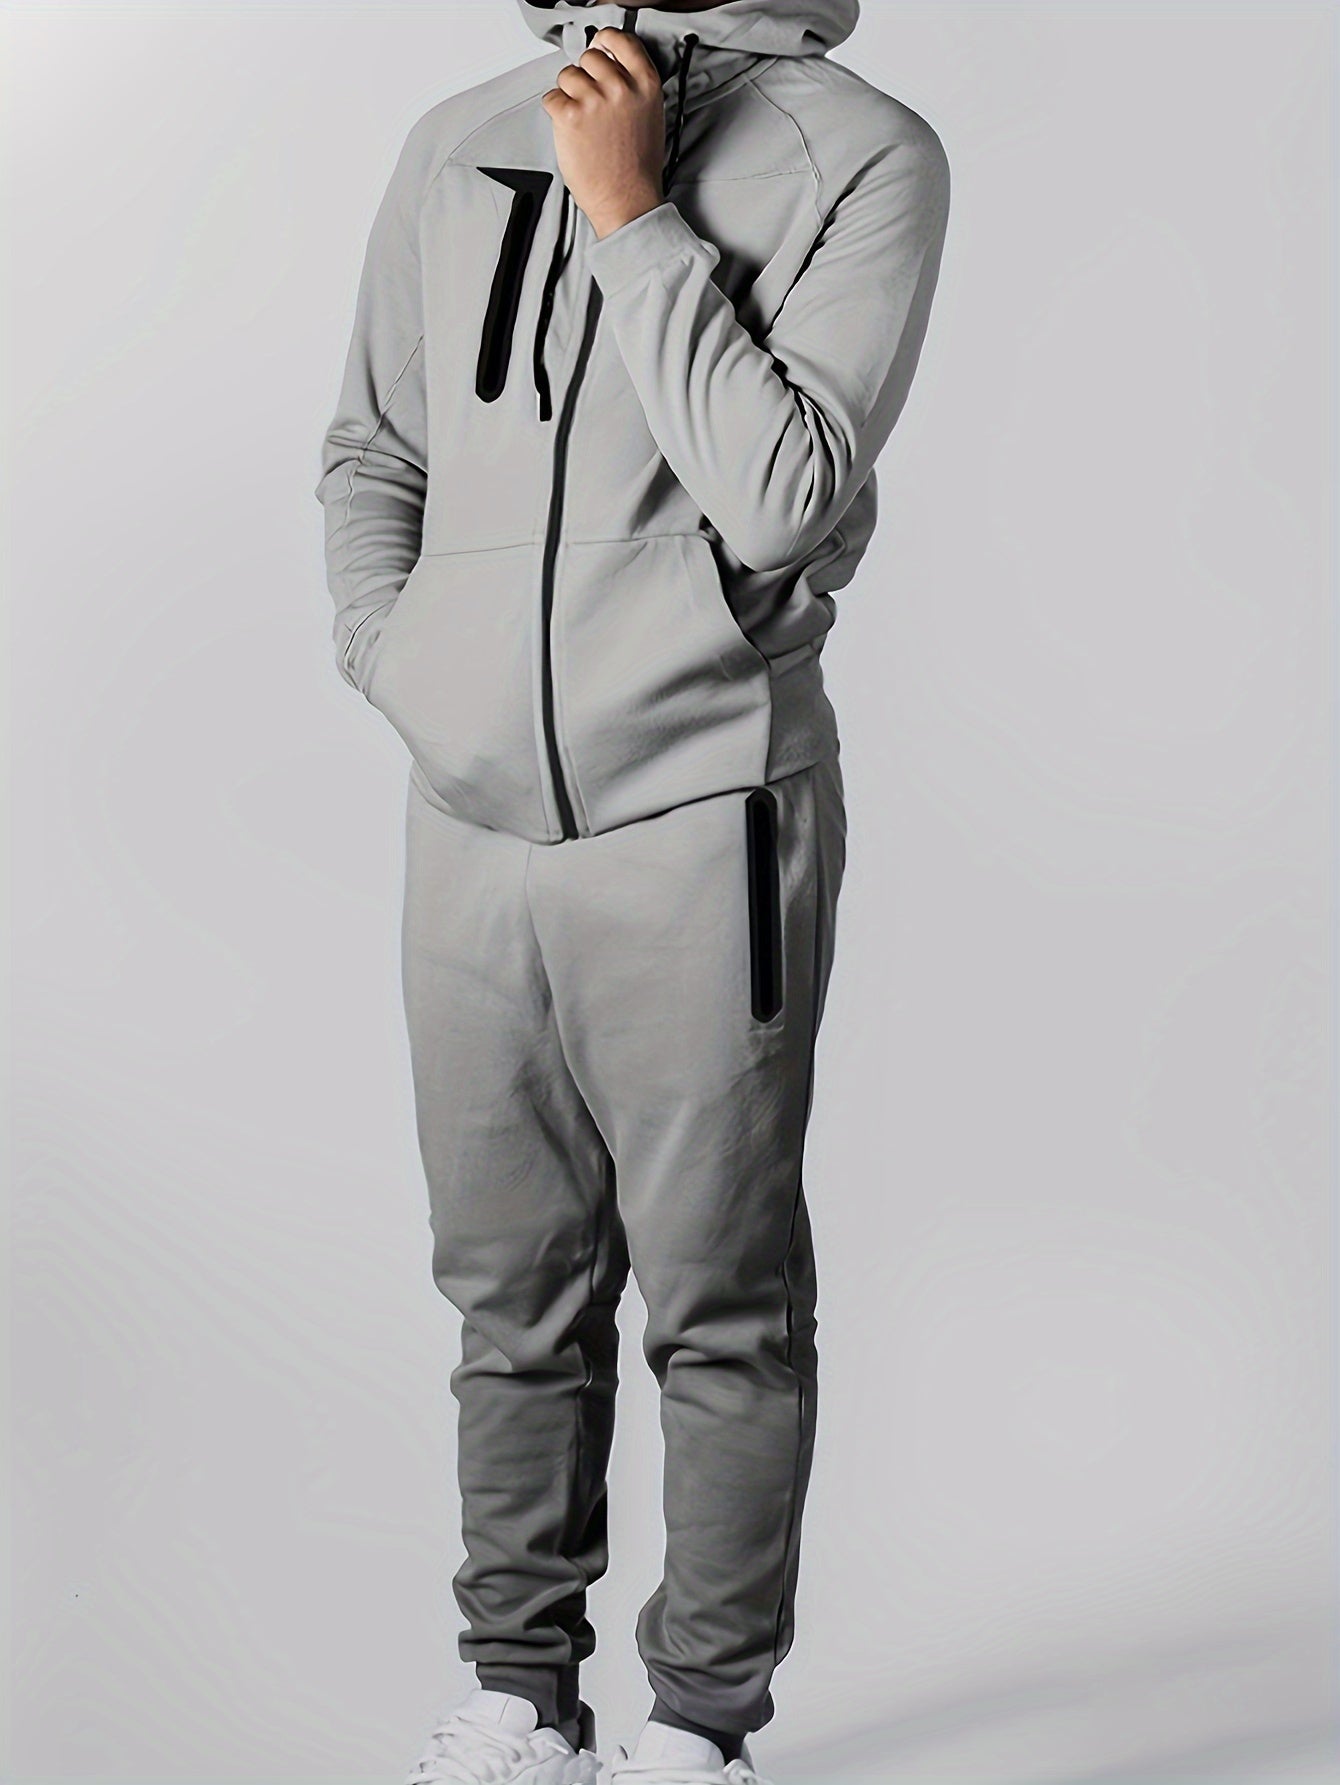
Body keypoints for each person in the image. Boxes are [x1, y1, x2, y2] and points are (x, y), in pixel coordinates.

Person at [314, 2, 949, 1780]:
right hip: (468, 819)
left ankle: (700, 1725)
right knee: (505, 1288)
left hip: (700, 806)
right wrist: (402, 663)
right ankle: (522, 1694)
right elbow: (373, 449)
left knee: (719, 1297)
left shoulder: (861, 151)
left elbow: (784, 495)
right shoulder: (460, 136)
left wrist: (631, 208)